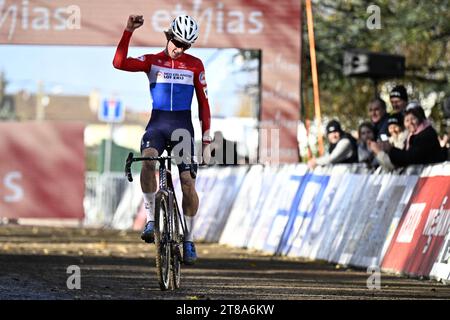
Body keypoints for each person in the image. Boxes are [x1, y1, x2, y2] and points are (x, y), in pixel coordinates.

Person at [113, 14, 212, 265]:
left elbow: (204, 104)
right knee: (148, 161)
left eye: (185, 46)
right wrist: (128, 31)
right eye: (177, 42)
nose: (179, 49)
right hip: (157, 125)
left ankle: (188, 238)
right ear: (168, 36)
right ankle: (151, 219)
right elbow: (119, 63)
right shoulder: (152, 61)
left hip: (183, 128)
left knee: (188, 182)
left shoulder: (195, 65)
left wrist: (207, 140)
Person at [379, 103, 445, 167]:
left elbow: (411, 157)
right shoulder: (411, 136)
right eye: (407, 120)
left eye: (413, 119)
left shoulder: (426, 134)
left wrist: (391, 150)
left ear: (419, 119)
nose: (410, 123)